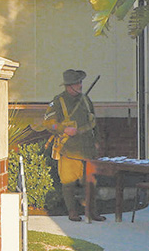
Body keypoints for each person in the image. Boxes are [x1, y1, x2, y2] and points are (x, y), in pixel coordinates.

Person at [43, 69, 105, 222]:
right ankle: (72, 211)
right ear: (68, 86)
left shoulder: (86, 100)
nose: (80, 85)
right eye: (77, 83)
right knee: (68, 183)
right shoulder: (58, 101)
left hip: (87, 148)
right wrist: (63, 129)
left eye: (80, 82)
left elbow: (93, 122)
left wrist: (97, 141)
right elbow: (48, 123)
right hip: (68, 149)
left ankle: (92, 211)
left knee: (91, 183)